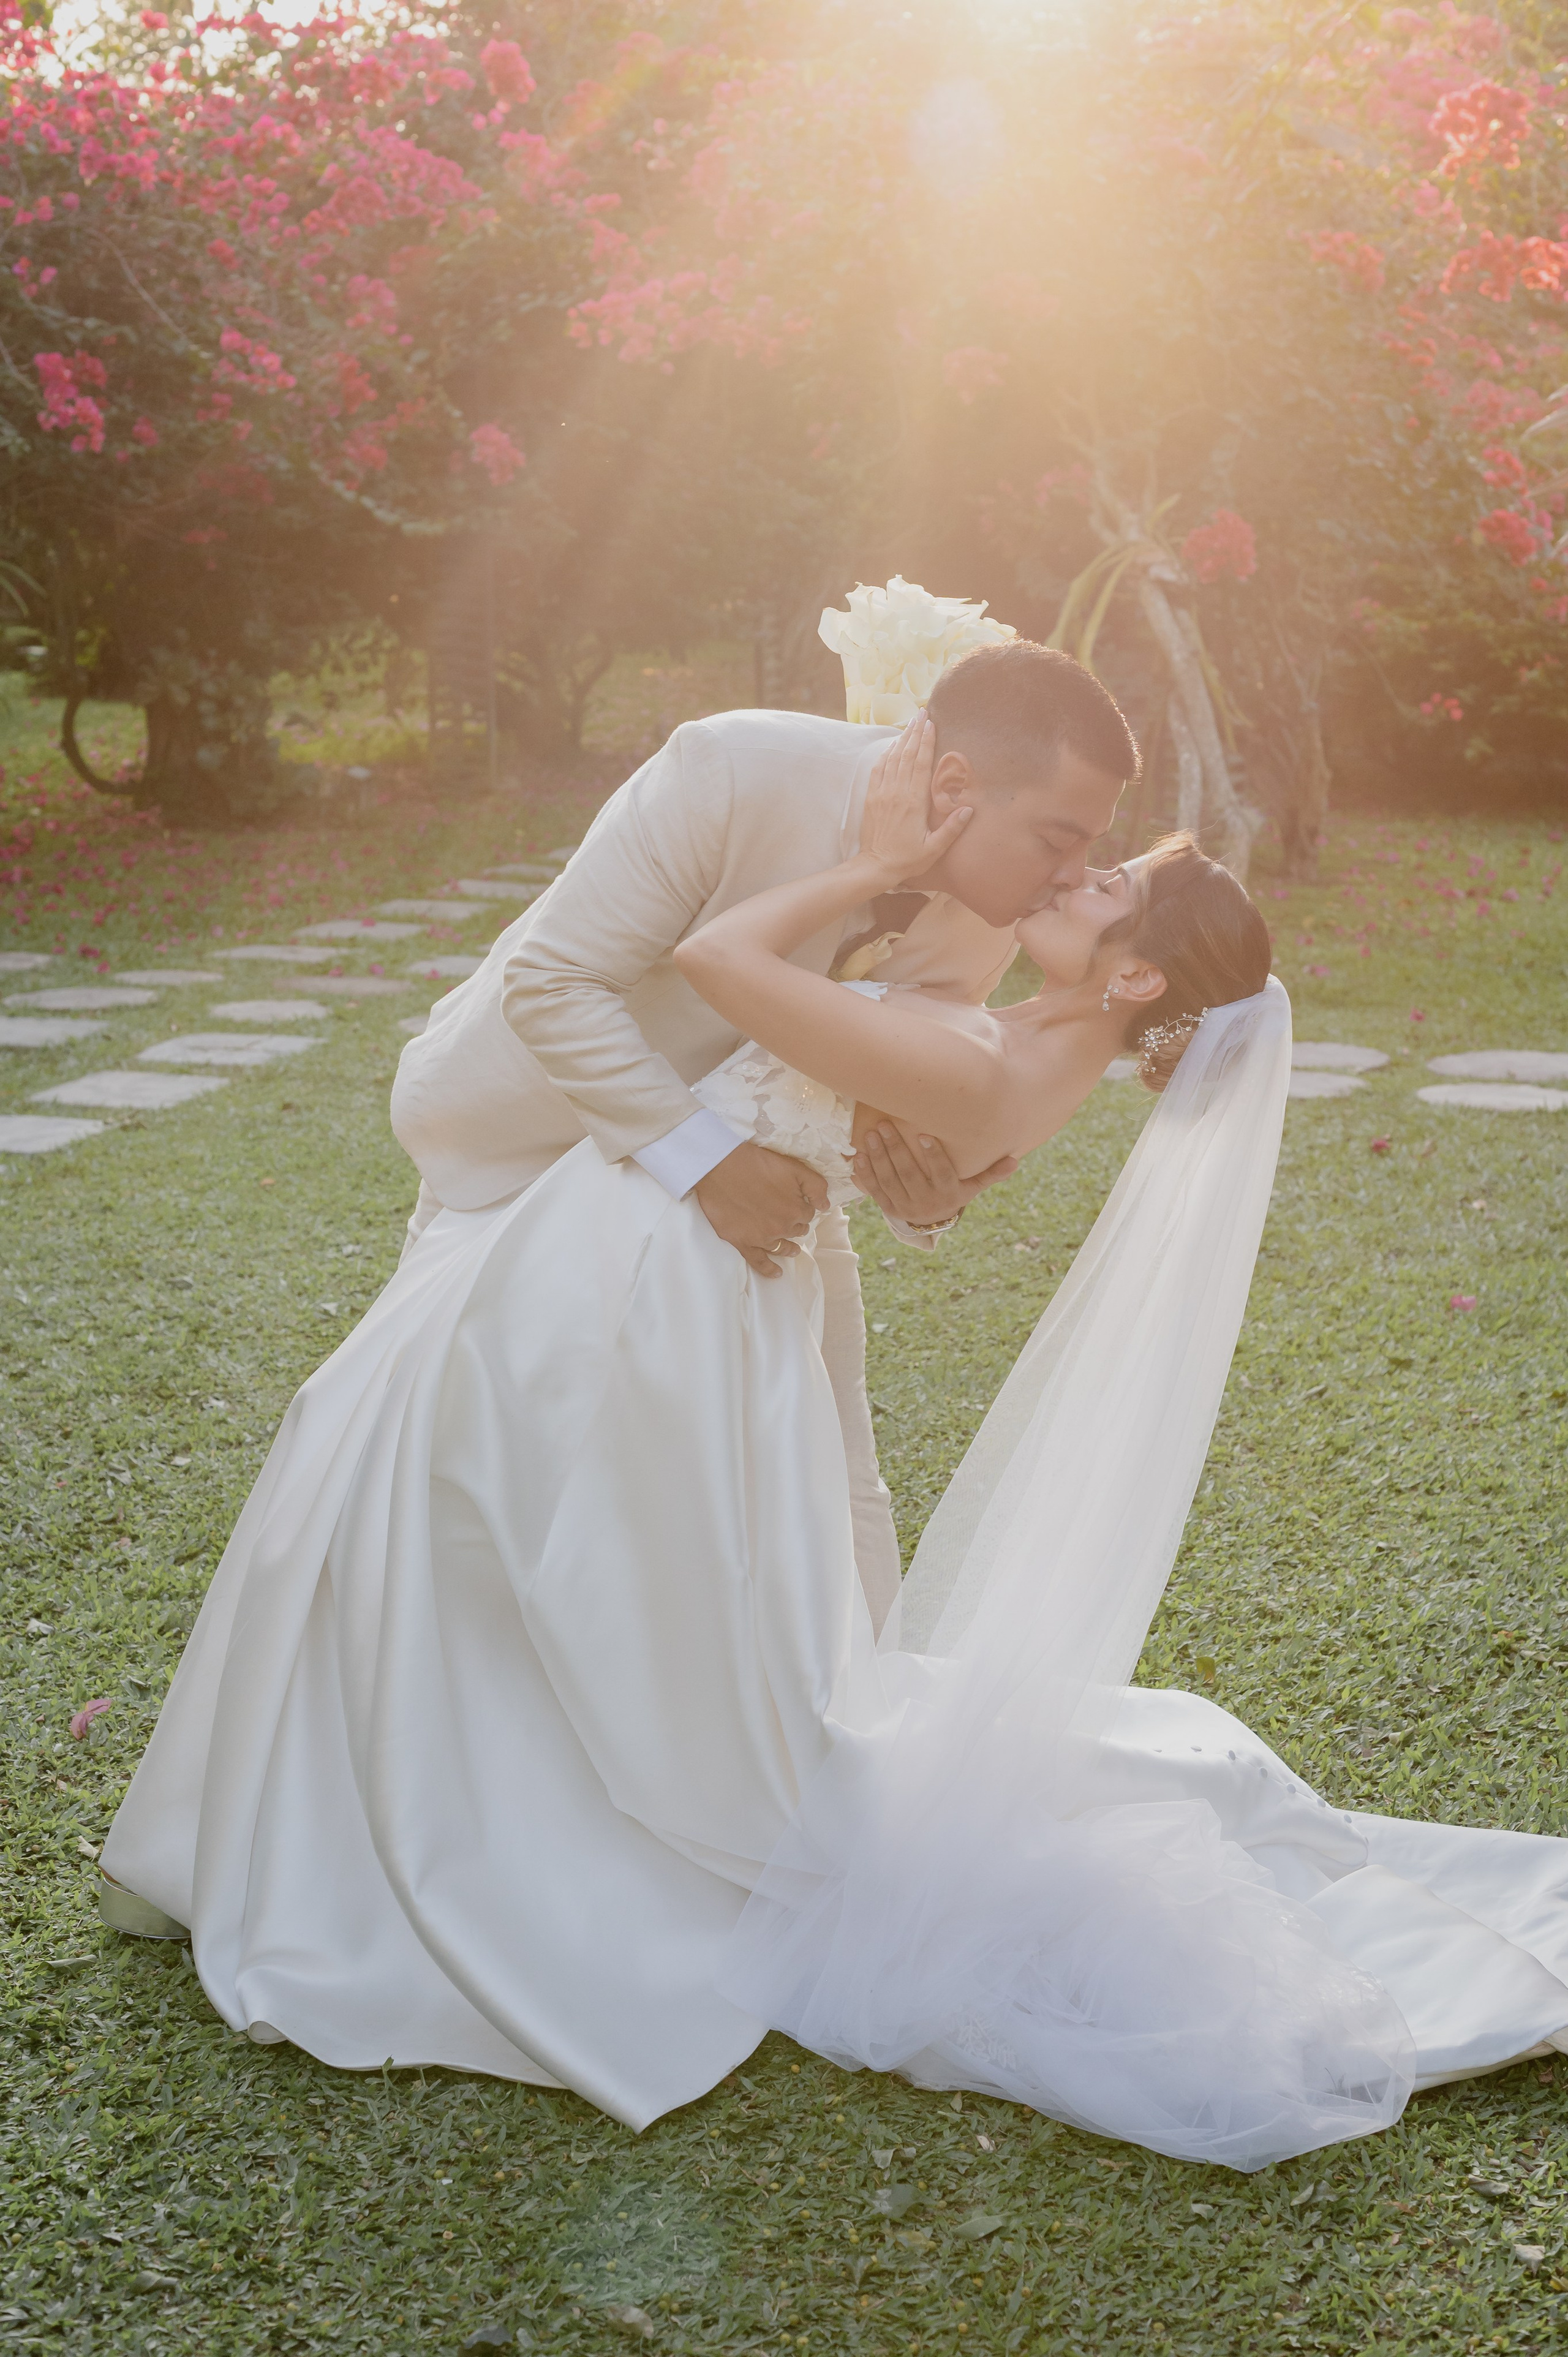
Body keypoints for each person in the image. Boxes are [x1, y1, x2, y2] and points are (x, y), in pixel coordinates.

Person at [101, 720, 1568, 2172]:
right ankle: (465, 1787)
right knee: (555, 1548)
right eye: (1075, 849)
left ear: (1129, 977)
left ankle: (478, 1828)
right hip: (659, 1253)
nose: (1076, 876)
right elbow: (895, 1123)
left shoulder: (997, 1052)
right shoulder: (1019, 1039)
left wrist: (870, 865)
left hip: (658, 1280)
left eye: (1104, 881)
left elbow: (722, 966)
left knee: (554, 1549)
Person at [388, 642, 1136, 1631]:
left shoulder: (998, 902)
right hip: (531, 1150)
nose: (1071, 876)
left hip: (758, 1215)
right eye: (1057, 838)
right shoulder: (733, 770)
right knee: (473, 1475)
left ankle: (849, 1739)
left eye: (1090, 849)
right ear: (955, 784)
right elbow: (554, 982)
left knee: (829, 1487)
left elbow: (898, 1076)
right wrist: (706, 1161)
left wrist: (926, 1196)